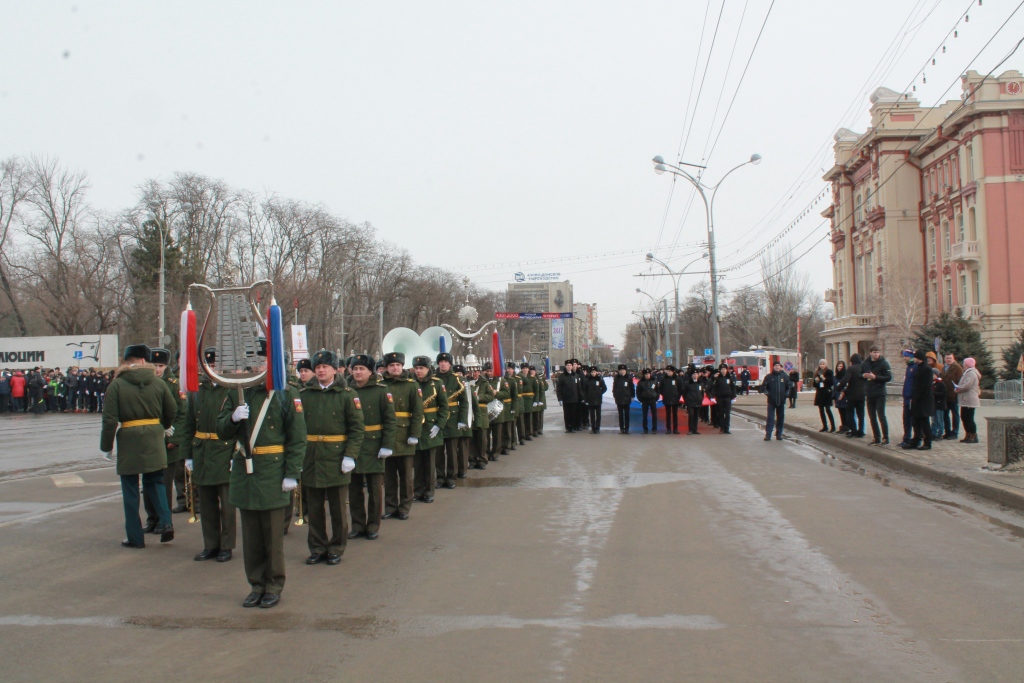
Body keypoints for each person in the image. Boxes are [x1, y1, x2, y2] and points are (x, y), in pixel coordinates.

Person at [218, 341, 307, 609]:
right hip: (245, 470)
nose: (257, 365)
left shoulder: (285, 394)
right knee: (251, 535)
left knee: (272, 536)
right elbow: (222, 431)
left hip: (272, 469)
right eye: (254, 360)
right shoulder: (237, 392)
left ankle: (274, 585)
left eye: (263, 360)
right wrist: (233, 418)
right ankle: (255, 584)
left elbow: (297, 437)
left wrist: (292, 472)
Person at [100, 344, 178, 549]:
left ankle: (135, 537)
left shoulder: (116, 385)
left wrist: (106, 446)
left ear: (128, 361)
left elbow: (109, 420)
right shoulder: (158, 383)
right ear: (145, 360)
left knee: (130, 489)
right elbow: (172, 409)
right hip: (153, 436)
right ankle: (166, 522)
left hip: (129, 438)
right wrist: (165, 426)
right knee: (156, 482)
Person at [298, 349, 364, 564]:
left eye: (325, 366)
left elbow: (356, 429)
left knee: (337, 508)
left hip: (336, 457)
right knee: (314, 509)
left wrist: (350, 456)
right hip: (311, 457)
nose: (321, 370)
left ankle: (336, 547)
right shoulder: (304, 395)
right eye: (317, 367)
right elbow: (296, 429)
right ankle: (317, 547)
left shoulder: (347, 395)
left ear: (335, 369)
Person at [181, 347, 237, 563]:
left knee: (227, 504)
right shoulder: (197, 390)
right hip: (202, 451)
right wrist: (187, 454)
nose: (212, 368)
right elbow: (188, 424)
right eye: (209, 365)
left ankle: (227, 545)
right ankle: (210, 544)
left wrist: (235, 453)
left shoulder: (232, 388)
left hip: (224, 450)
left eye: (215, 365)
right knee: (206, 502)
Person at [348, 354, 397, 540]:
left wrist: (387, 444)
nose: (358, 372)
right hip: (353, 446)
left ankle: (373, 525)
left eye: (362, 369)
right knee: (354, 490)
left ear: (371, 371)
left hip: (374, 444)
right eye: (355, 368)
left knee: (375, 490)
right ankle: (357, 524)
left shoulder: (381, 391)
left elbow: (390, 420)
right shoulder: (346, 390)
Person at [381, 351, 423, 519]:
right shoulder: (381, 385)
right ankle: (390, 507)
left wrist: (415, 434)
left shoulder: (411, 385)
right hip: (387, 435)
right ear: (386, 367)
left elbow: (417, 411)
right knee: (389, 475)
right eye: (392, 365)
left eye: (398, 365)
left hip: (405, 435)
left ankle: (405, 506)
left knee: (406, 475)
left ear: (402, 366)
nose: (395, 368)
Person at [412, 355, 448, 503]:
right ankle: (418, 490)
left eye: (422, 368)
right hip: (415, 427)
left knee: (430, 462)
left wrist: (439, 424)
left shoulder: (437, 384)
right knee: (417, 463)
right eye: (416, 368)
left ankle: (429, 491)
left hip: (431, 426)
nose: (418, 371)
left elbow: (444, 407)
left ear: (428, 369)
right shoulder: (411, 383)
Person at [435, 353, 469, 490]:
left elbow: (464, 402)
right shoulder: (433, 379)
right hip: (436, 418)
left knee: (452, 451)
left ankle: (451, 477)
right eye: (441, 361)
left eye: (445, 361)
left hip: (453, 419)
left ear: (450, 364)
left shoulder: (457, 379)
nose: (443, 364)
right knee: (438, 451)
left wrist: (462, 420)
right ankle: (439, 477)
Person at [464, 359, 494, 471]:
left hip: (481, 413)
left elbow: (490, 396)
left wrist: (478, 398)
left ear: (480, 372)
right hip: (470, 413)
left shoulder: (485, 384)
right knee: (471, 438)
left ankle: (482, 459)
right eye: (472, 372)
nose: (474, 374)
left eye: (476, 371)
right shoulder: (467, 383)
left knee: (482, 438)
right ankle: (472, 459)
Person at [903, 350, 935, 451]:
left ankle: (927, 442)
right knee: (915, 421)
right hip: (916, 400)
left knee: (924, 422)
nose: (914, 359)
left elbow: (925, 387)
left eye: (915, 357)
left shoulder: (926, 369)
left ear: (918, 358)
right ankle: (916, 440)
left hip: (923, 401)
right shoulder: (919, 368)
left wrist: (918, 397)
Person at [861, 346, 892, 445]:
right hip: (869, 392)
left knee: (881, 416)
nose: (876, 354)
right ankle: (876, 437)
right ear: (870, 353)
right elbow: (860, 373)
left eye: (878, 352)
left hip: (880, 393)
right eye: (874, 352)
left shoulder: (883, 363)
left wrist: (875, 377)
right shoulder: (866, 363)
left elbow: (888, 377)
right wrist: (864, 375)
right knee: (872, 416)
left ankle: (885, 437)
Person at [762, 361, 793, 441]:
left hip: (781, 401)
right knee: (770, 418)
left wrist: (786, 395)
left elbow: (789, 387)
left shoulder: (785, 376)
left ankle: (779, 434)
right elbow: (764, 388)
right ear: (773, 367)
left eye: (778, 365)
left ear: (780, 367)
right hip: (771, 402)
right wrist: (769, 394)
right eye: (775, 365)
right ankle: (768, 434)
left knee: (780, 418)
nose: (777, 367)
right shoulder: (768, 377)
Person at [837, 353, 866, 438]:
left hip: (852, 395)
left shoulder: (851, 368)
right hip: (862, 395)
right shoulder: (864, 368)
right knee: (861, 414)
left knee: (850, 413)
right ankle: (861, 431)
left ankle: (853, 430)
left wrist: (838, 389)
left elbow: (845, 380)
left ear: (851, 361)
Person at [486, 362, 511, 458]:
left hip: (498, 410)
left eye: (491, 371)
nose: (489, 373)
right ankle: (487, 452)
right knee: (486, 434)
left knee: (497, 434)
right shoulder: (484, 381)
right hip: (487, 409)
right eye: (487, 371)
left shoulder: (501, 380)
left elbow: (506, 393)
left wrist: (497, 393)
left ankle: (496, 452)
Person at [955, 357, 981, 444]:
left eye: (964, 363)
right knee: (964, 417)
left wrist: (957, 389)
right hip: (965, 400)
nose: (963, 365)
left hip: (970, 400)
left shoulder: (971, 373)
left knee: (969, 418)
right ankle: (968, 434)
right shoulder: (967, 373)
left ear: (967, 364)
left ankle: (973, 435)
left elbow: (967, 386)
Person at [555, 360, 581, 433]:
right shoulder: (562, 377)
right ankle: (568, 427)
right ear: (565, 367)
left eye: (570, 365)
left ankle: (572, 427)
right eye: (567, 365)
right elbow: (559, 388)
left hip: (574, 398)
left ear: (572, 366)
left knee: (573, 413)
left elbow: (579, 388)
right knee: (566, 414)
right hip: (566, 398)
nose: (569, 367)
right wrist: (560, 399)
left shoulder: (575, 375)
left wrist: (581, 397)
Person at [942, 353, 964, 440]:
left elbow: (960, 381)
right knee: (945, 414)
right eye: (947, 358)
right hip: (945, 395)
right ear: (944, 359)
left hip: (953, 395)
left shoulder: (957, 368)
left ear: (953, 359)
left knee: (955, 414)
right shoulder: (944, 367)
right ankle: (947, 431)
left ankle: (955, 432)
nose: (948, 360)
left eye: (950, 358)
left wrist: (957, 391)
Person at [710, 364, 737, 434]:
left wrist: (734, 396)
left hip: (728, 398)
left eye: (724, 369)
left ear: (726, 370)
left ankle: (727, 428)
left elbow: (733, 387)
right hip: (720, 398)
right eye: (722, 369)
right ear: (720, 370)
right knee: (721, 414)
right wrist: (712, 397)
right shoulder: (718, 378)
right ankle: (722, 427)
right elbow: (715, 388)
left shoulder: (730, 377)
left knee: (727, 414)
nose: (723, 371)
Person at [898, 350, 916, 447]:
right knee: (906, 419)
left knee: (911, 419)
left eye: (906, 356)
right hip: (906, 397)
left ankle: (912, 438)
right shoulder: (909, 367)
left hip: (911, 398)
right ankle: (906, 437)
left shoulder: (914, 367)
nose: (904, 358)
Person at [657, 366, 682, 435]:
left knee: (675, 414)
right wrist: (664, 394)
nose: (668, 372)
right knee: (668, 414)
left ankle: (675, 429)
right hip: (667, 398)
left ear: (673, 372)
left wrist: (678, 396)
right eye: (667, 371)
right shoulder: (663, 379)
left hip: (675, 399)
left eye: (670, 371)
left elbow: (680, 389)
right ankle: (668, 429)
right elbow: (660, 388)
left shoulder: (677, 379)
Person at [582, 365, 606, 434]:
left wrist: (600, 393)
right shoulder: (587, 380)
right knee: (592, 415)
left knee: (598, 415)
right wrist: (586, 399)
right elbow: (585, 391)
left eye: (594, 372)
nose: (593, 373)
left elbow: (604, 388)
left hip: (598, 400)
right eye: (592, 372)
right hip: (590, 400)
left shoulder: (600, 379)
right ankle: (593, 428)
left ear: (596, 372)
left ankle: (597, 428)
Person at [812, 360, 835, 432]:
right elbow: (814, 385)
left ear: (826, 365)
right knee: (821, 410)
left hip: (827, 393)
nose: (822, 365)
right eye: (821, 364)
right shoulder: (817, 372)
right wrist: (816, 381)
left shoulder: (829, 372)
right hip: (820, 393)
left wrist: (825, 379)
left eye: (823, 364)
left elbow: (831, 382)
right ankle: (825, 426)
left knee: (828, 409)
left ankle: (833, 426)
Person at [611, 364, 635, 434]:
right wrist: (615, 395)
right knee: (620, 415)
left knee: (627, 415)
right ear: (619, 371)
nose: (622, 371)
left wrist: (632, 396)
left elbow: (632, 388)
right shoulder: (616, 378)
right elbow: (614, 388)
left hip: (627, 398)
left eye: (623, 370)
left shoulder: (629, 378)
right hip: (619, 398)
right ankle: (622, 428)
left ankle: (627, 429)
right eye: (621, 370)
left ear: (625, 370)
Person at [636, 368, 659, 434]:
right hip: (644, 400)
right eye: (646, 374)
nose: (647, 375)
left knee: (654, 415)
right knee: (645, 415)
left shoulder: (654, 381)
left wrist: (656, 398)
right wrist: (640, 399)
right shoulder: (641, 382)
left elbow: (658, 390)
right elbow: (638, 392)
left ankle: (654, 428)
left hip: (653, 400)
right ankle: (645, 428)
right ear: (644, 375)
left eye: (648, 374)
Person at [682, 367, 704, 435]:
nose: (695, 375)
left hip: (698, 402)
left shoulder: (700, 383)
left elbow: (702, 393)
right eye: (694, 374)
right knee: (691, 415)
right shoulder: (687, 383)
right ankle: (690, 430)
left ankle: (695, 430)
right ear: (691, 375)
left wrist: (701, 398)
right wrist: (687, 400)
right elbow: (684, 393)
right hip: (690, 402)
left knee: (696, 416)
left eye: (696, 374)